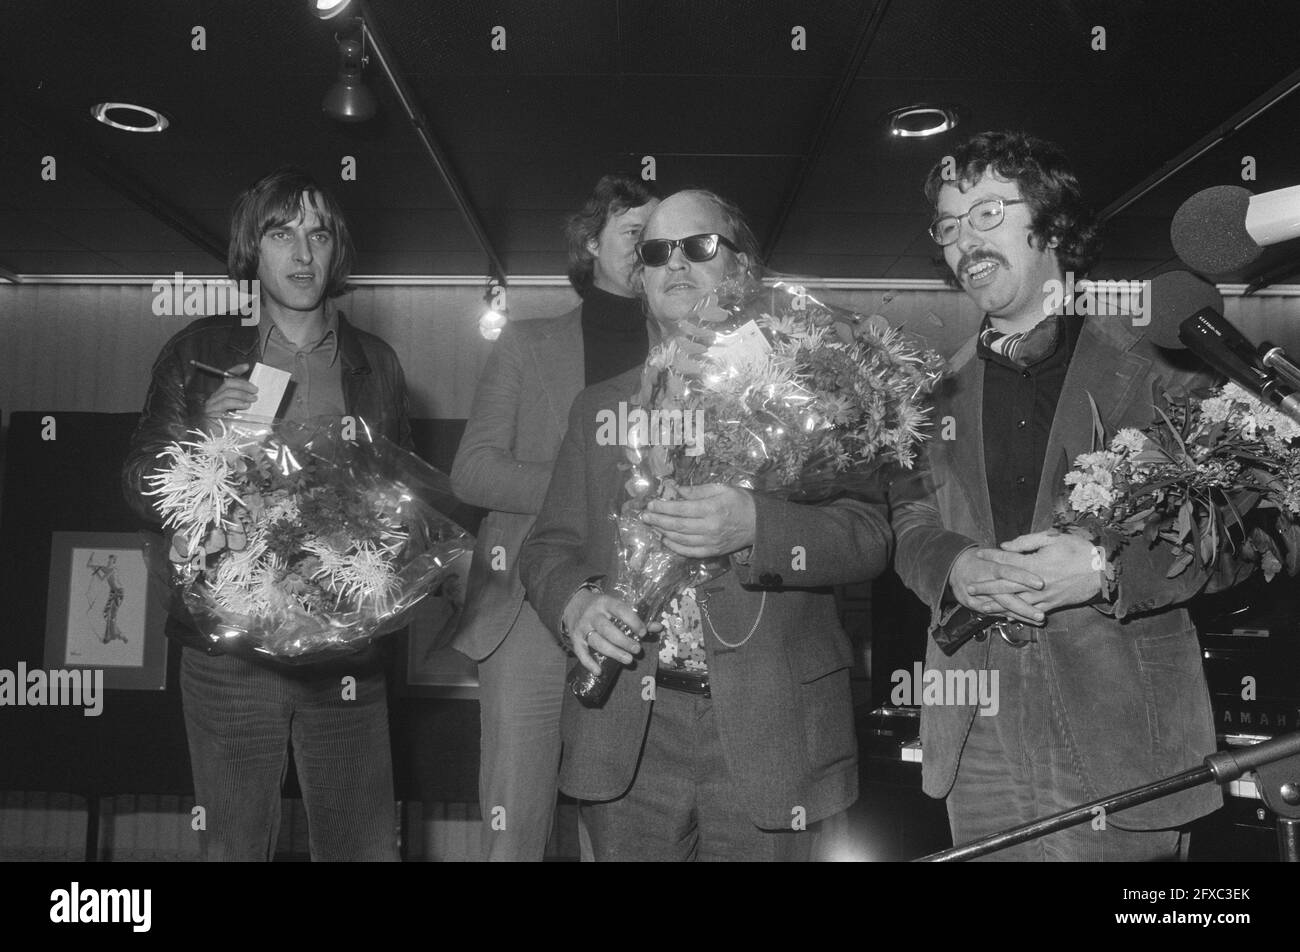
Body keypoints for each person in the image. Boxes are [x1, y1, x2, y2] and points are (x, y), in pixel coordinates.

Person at [891, 131, 1244, 860]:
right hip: (974, 730)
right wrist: (954, 567)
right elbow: (910, 520)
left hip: (1123, 731)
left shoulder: (1160, 363)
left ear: (1051, 223)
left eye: (987, 213)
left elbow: (1252, 525)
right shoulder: (926, 391)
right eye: (950, 227)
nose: (965, 242)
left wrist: (1103, 567)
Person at [518, 188, 892, 861]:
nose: (676, 264)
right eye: (656, 251)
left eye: (700, 246)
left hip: (775, 734)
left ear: (741, 265)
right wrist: (576, 604)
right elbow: (547, 550)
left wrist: (755, 524)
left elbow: (869, 536)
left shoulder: (810, 391)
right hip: (627, 735)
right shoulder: (597, 407)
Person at [122, 166, 411, 861]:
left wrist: (394, 541)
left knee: (363, 848)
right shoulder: (198, 353)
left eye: (319, 234)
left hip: (343, 646)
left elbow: (394, 497)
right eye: (282, 233)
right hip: (228, 650)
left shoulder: (376, 364)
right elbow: (138, 482)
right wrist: (202, 436)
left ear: (338, 250)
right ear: (253, 247)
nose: (303, 254)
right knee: (235, 848)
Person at [451, 173, 659, 861]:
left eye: (664, 238)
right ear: (591, 242)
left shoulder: (694, 356)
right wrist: (585, 489)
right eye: (636, 233)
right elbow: (472, 471)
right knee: (517, 827)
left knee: (624, 819)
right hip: (526, 606)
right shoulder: (524, 342)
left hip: (646, 609)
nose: (654, 248)